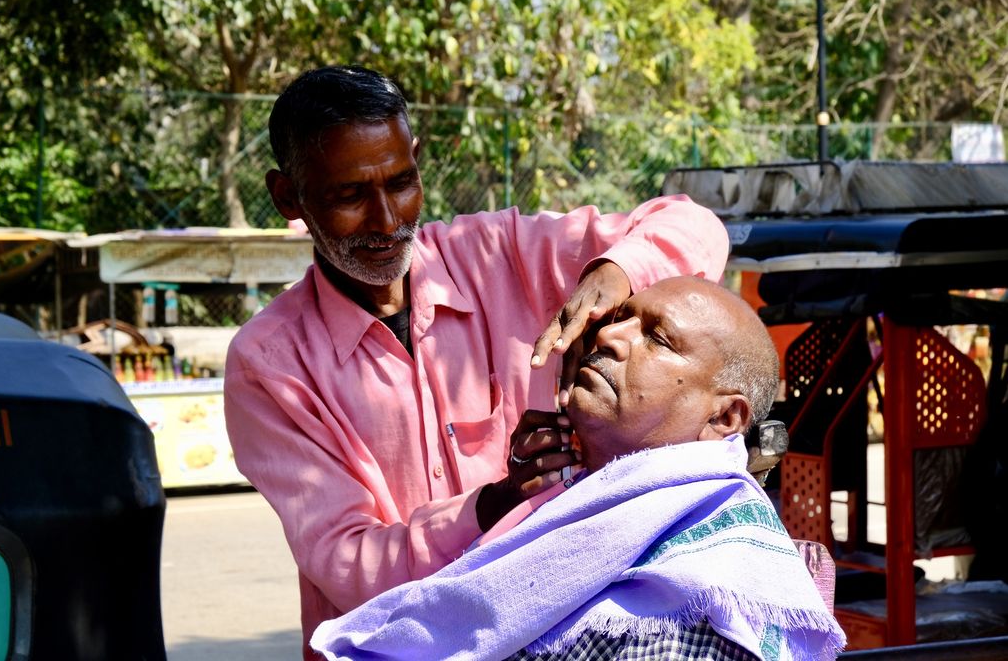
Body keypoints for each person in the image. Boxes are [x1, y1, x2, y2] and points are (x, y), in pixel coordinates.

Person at [223, 65, 730, 656]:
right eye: (350, 196)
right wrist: (498, 503)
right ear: (288, 197)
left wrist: (616, 272)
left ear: (416, 158)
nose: (387, 221)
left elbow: (697, 228)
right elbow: (348, 563)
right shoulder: (269, 364)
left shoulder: (504, 253)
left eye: (401, 182)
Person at [310, 277, 847, 661]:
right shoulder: (574, 508)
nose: (610, 337)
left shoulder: (698, 586)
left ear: (725, 416)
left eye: (657, 338)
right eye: (621, 319)